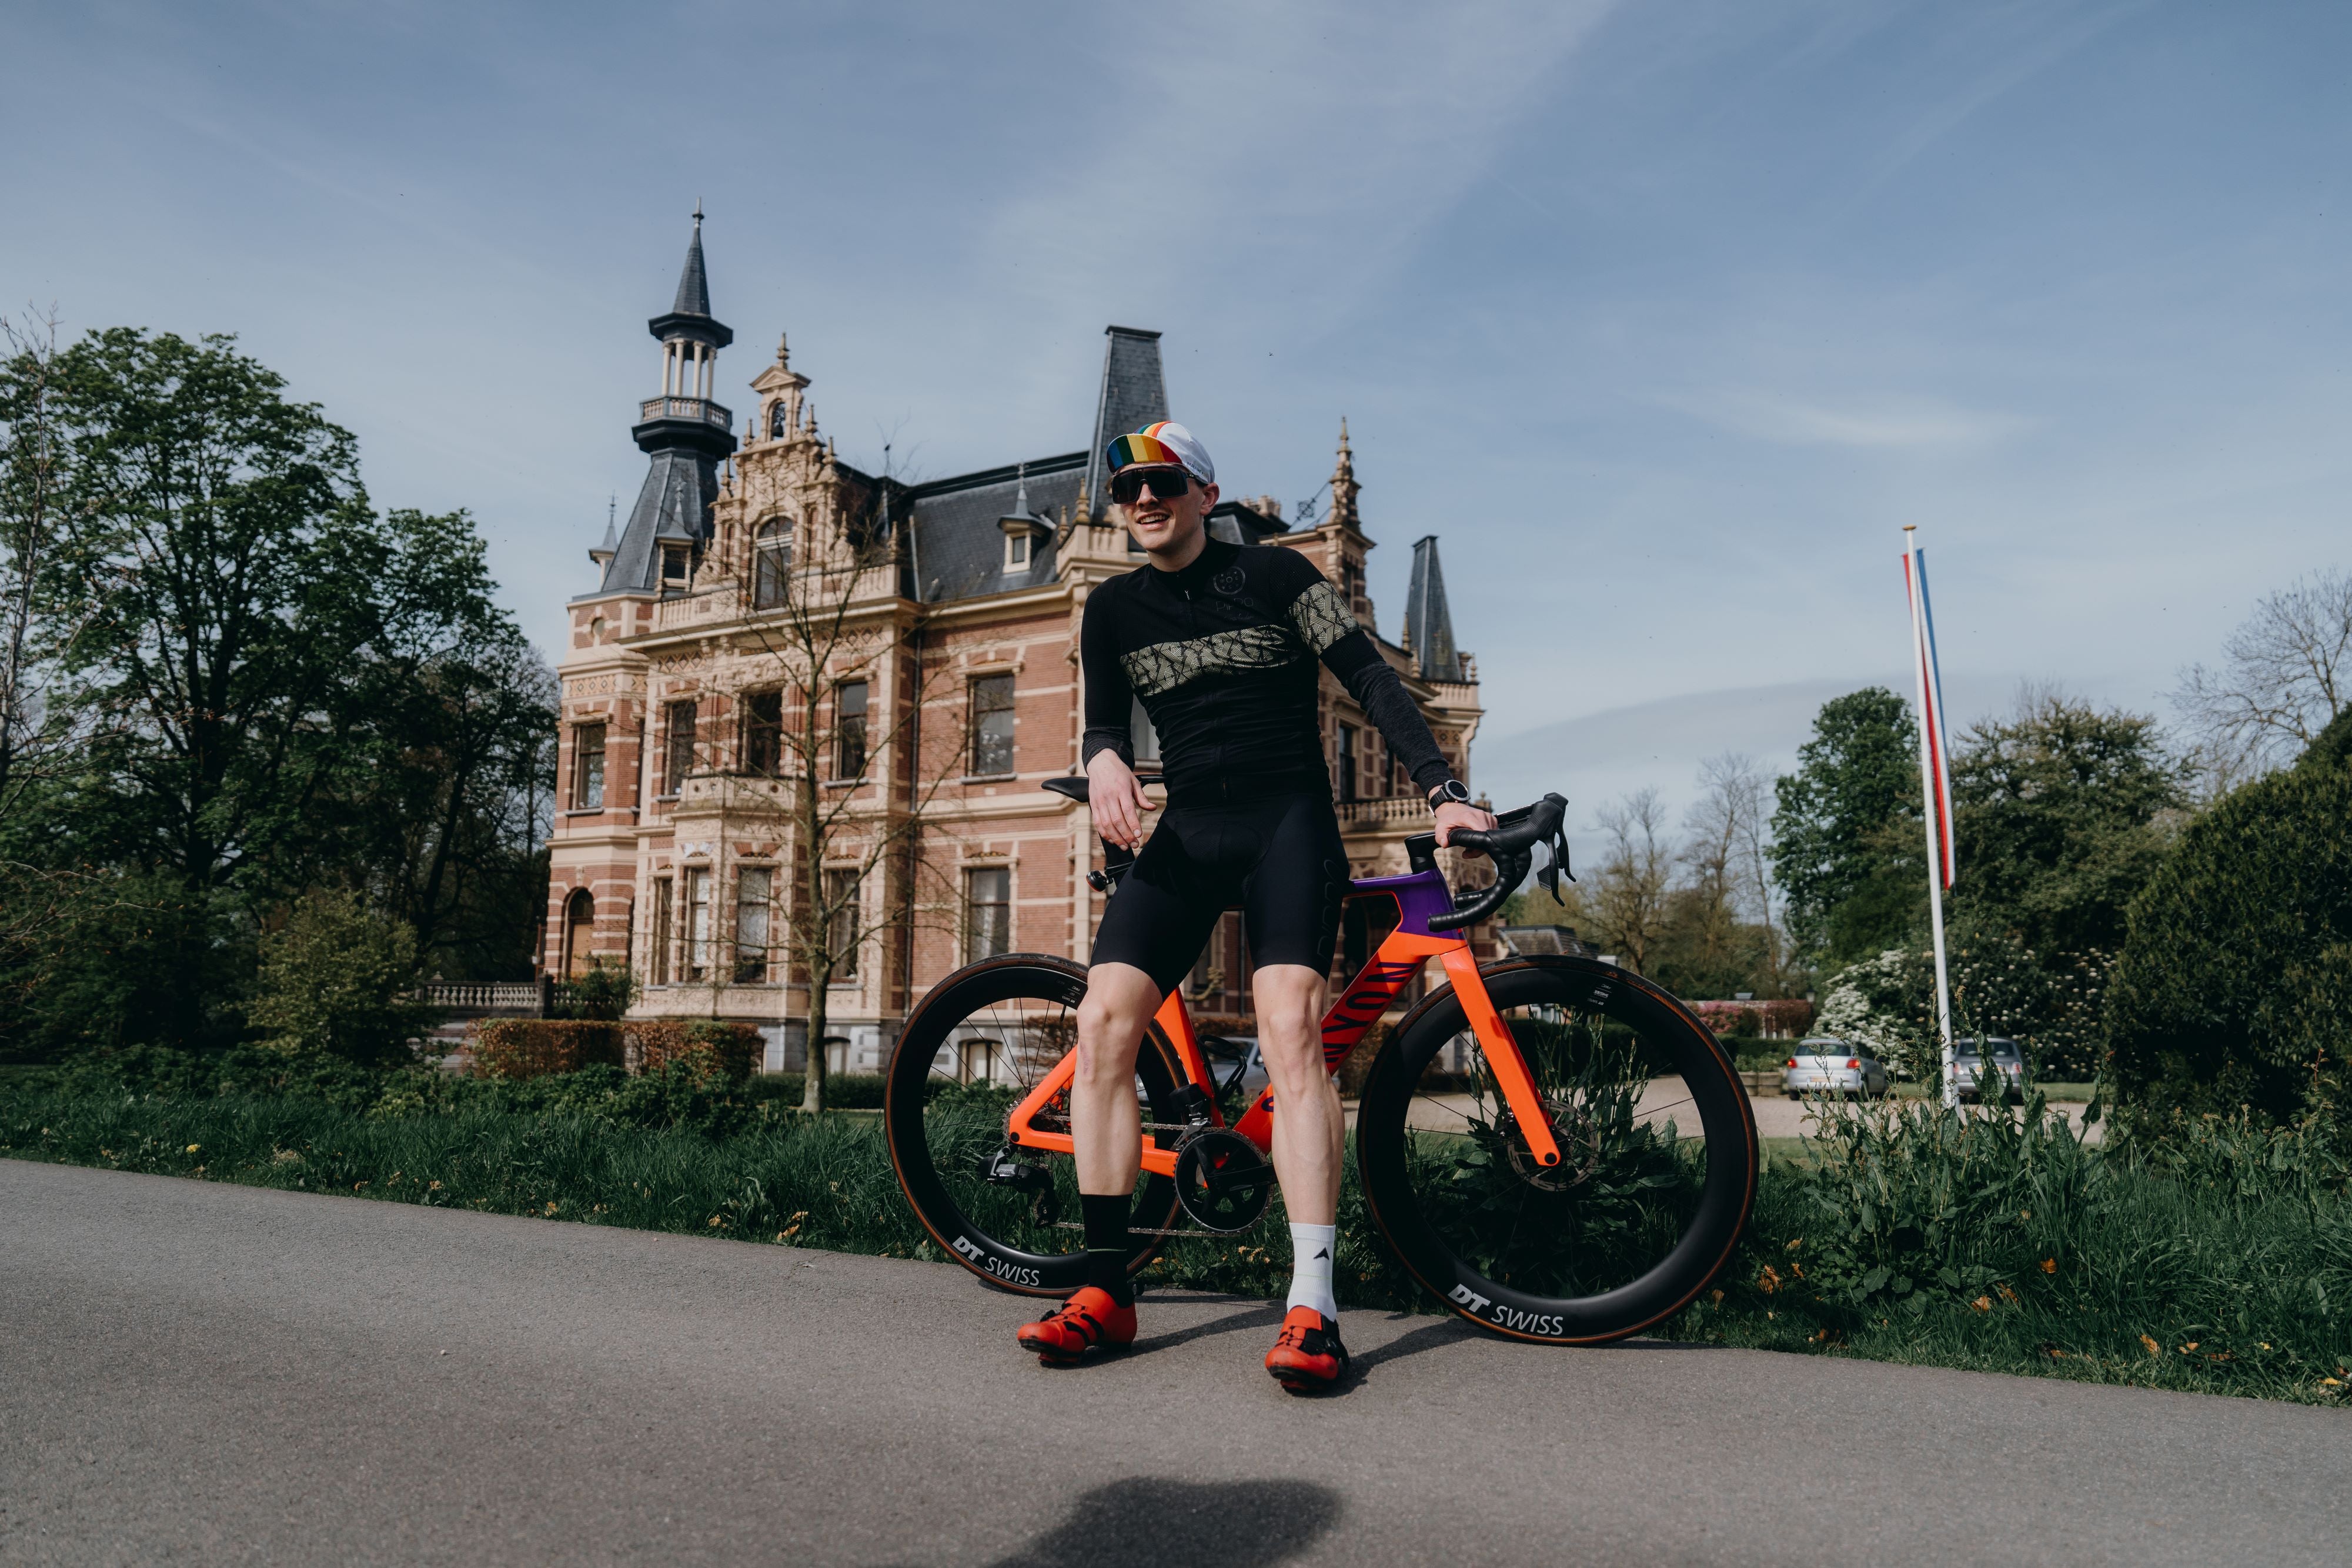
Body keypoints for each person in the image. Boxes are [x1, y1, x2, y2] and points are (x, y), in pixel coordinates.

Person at [1015, 420, 1495, 1390]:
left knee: (1289, 1027)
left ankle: (1312, 1307)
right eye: (1128, 491)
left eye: (1163, 483)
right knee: (1104, 1024)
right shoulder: (1110, 609)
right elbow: (1105, 721)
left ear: (1203, 491)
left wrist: (1443, 791)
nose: (1144, 501)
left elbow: (1370, 680)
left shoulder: (1279, 580)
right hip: (1187, 833)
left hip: (1287, 827)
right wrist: (1105, 755)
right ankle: (1106, 1289)